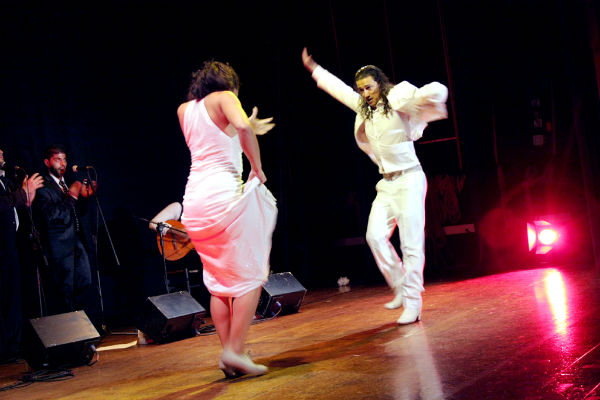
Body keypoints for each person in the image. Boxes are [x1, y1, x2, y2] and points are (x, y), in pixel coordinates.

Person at [302, 48, 448, 324]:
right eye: (361, 89)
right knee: (374, 236)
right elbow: (340, 90)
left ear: (379, 83)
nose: (365, 93)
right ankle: (402, 289)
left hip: (409, 179)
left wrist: (432, 94)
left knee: (411, 245)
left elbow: (426, 95)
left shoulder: (397, 98)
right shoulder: (363, 109)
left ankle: (414, 303)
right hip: (387, 184)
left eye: (368, 87)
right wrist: (315, 69)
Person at [178, 61, 277, 377]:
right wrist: (257, 168)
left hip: (193, 205)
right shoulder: (225, 97)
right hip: (222, 199)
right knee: (254, 274)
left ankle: (229, 355)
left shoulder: (184, 110)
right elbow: (242, 129)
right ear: (229, 85)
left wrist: (242, 125)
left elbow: (216, 138)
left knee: (219, 284)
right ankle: (235, 350)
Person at [33, 144, 95, 317]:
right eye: (57, 159)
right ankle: (72, 336)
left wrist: (84, 198)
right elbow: (52, 216)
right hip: (59, 247)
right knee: (65, 290)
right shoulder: (43, 186)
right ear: (47, 162)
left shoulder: (64, 184)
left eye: (64, 159)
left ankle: (83, 326)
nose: (63, 163)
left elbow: (75, 212)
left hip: (76, 241)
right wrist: (72, 196)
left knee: (85, 282)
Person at [0, 148, 43, 362]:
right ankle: (3, 349)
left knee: (13, 297)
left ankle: (13, 347)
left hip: (10, 248)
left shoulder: (5, 182)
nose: (2, 155)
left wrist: (28, 197)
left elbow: (16, 204)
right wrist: (21, 193)